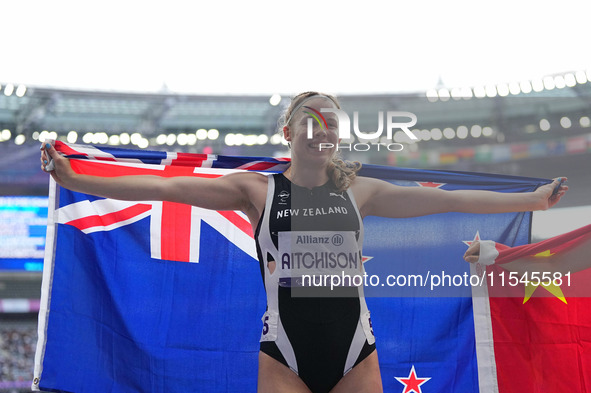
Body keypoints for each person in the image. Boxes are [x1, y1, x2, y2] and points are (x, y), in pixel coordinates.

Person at [40, 91, 568, 393]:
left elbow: (452, 199)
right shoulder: (255, 189)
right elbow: (162, 187)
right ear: (287, 131)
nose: (321, 129)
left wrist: (534, 202)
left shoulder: (362, 192)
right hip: (283, 357)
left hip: (357, 356)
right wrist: (77, 178)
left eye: (330, 122)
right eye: (309, 120)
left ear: (337, 134)